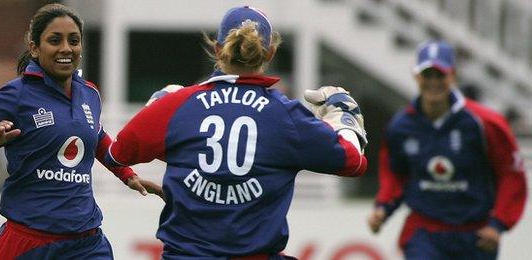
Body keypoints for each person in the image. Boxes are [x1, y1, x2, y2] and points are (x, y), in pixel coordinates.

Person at [102, 6, 368, 259]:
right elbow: (352, 161)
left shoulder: (179, 105)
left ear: (217, 49)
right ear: (270, 53)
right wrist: (343, 115)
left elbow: (117, 154)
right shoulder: (286, 116)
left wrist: (162, 118)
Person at [0, 3, 162, 259]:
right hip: (30, 242)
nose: (66, 49)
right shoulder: (16, 95)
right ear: (35, 48)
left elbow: (97, 137)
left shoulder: (89, 93)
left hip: (86, 242)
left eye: (74, 40)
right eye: (54, 40)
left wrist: (126, 174)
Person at [367, 41, 527, 259]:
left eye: (440, 75)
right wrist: (383, 209)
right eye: (427, 75)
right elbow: (395, 174)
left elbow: (511, 174)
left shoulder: (485, 123)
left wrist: (498, 223)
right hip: (425, 233)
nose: (433, 82)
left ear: (452, 76)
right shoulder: (401, 127)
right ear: (416, 76)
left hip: (476, 235)